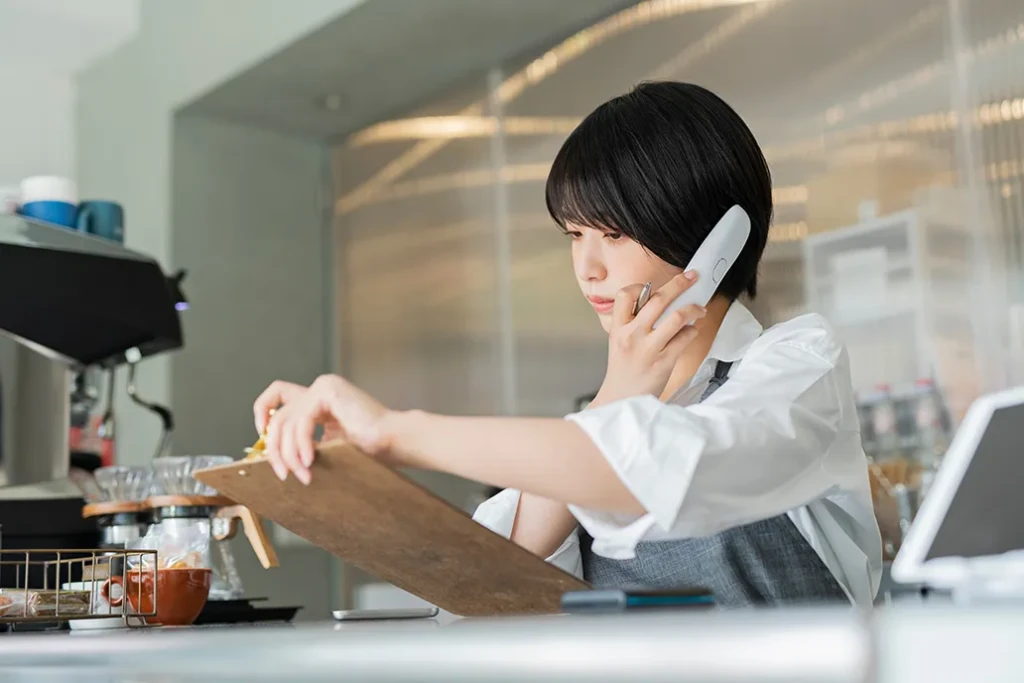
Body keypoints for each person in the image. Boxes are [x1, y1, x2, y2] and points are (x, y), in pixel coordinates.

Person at [254, 81, 882, 608]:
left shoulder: (798, 363)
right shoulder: (595, 422)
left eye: (611, 233)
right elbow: (506, 588)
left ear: (713, 233)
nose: (587, 269)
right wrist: (618, 392)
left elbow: (672, 470)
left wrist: (392, 431)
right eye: (575, 235)